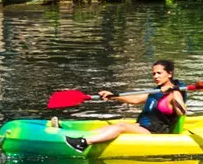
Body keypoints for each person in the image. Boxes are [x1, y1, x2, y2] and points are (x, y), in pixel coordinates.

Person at [56, 60, 187, 152]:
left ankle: (84, 144)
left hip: (156, 133)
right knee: (112, 126)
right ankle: (77, 137)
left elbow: (182, 112)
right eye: (153, 73)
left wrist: (175, 91)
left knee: (122, 126)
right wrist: (113, 96)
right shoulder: (156, 91)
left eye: (159, 73)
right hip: (144, 127)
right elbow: (135, 99)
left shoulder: (174, 94)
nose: (155, 76)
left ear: (169, 74)